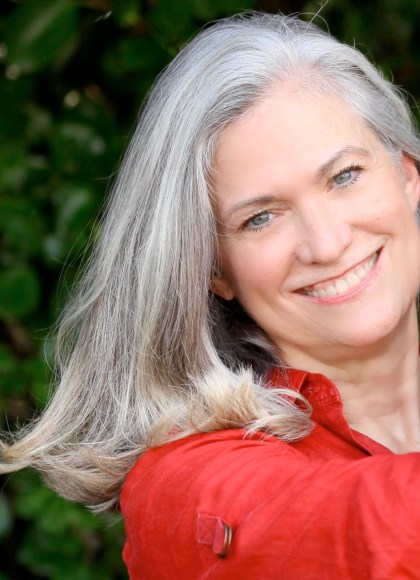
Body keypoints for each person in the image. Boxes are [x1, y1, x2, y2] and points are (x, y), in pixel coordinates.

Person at [2, 11, 420, 579]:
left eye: (344, 176)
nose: (327, 243)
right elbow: (365, 535)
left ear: (407, 174)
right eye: (261, 218)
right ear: (212, 269)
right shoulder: (186, 479)